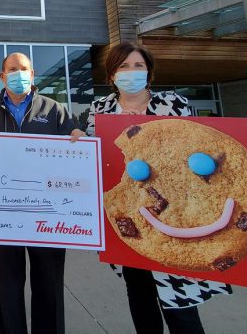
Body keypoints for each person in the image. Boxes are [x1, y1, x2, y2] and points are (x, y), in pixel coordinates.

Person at [86, 41, 231, 334]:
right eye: (123, 66)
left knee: (179, 302)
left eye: (138, 66)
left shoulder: (172, 103)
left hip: (174, 213)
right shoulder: (100, 109)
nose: (131, 72)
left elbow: (194, 149)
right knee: (139, 294)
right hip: (129, 215)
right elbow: (94, 155)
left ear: (149, 72)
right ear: (112, 74)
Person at [0, 52, 84, 334]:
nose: (18, 74)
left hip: (47, 214)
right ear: (2, 76)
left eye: (24, 69)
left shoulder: (54, 109)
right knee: (7, 285)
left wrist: (79, 141)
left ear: (32, 75)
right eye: (12, 69)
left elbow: (74, 153)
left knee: (49, 283)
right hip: (3, 215)